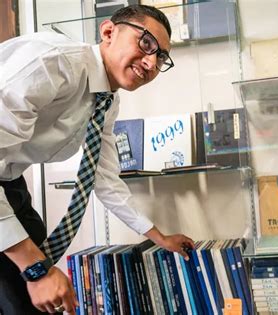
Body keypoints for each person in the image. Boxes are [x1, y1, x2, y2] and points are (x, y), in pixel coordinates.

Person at [0, 4, 194, 314]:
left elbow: (103, 178)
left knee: (38, 299)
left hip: (9, 184)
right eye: (146, 43)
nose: (150, 61)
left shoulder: (105, 100)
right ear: (108, 32)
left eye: (161, 57)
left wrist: (159, 236)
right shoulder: (53, 64)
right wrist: (35, 270)